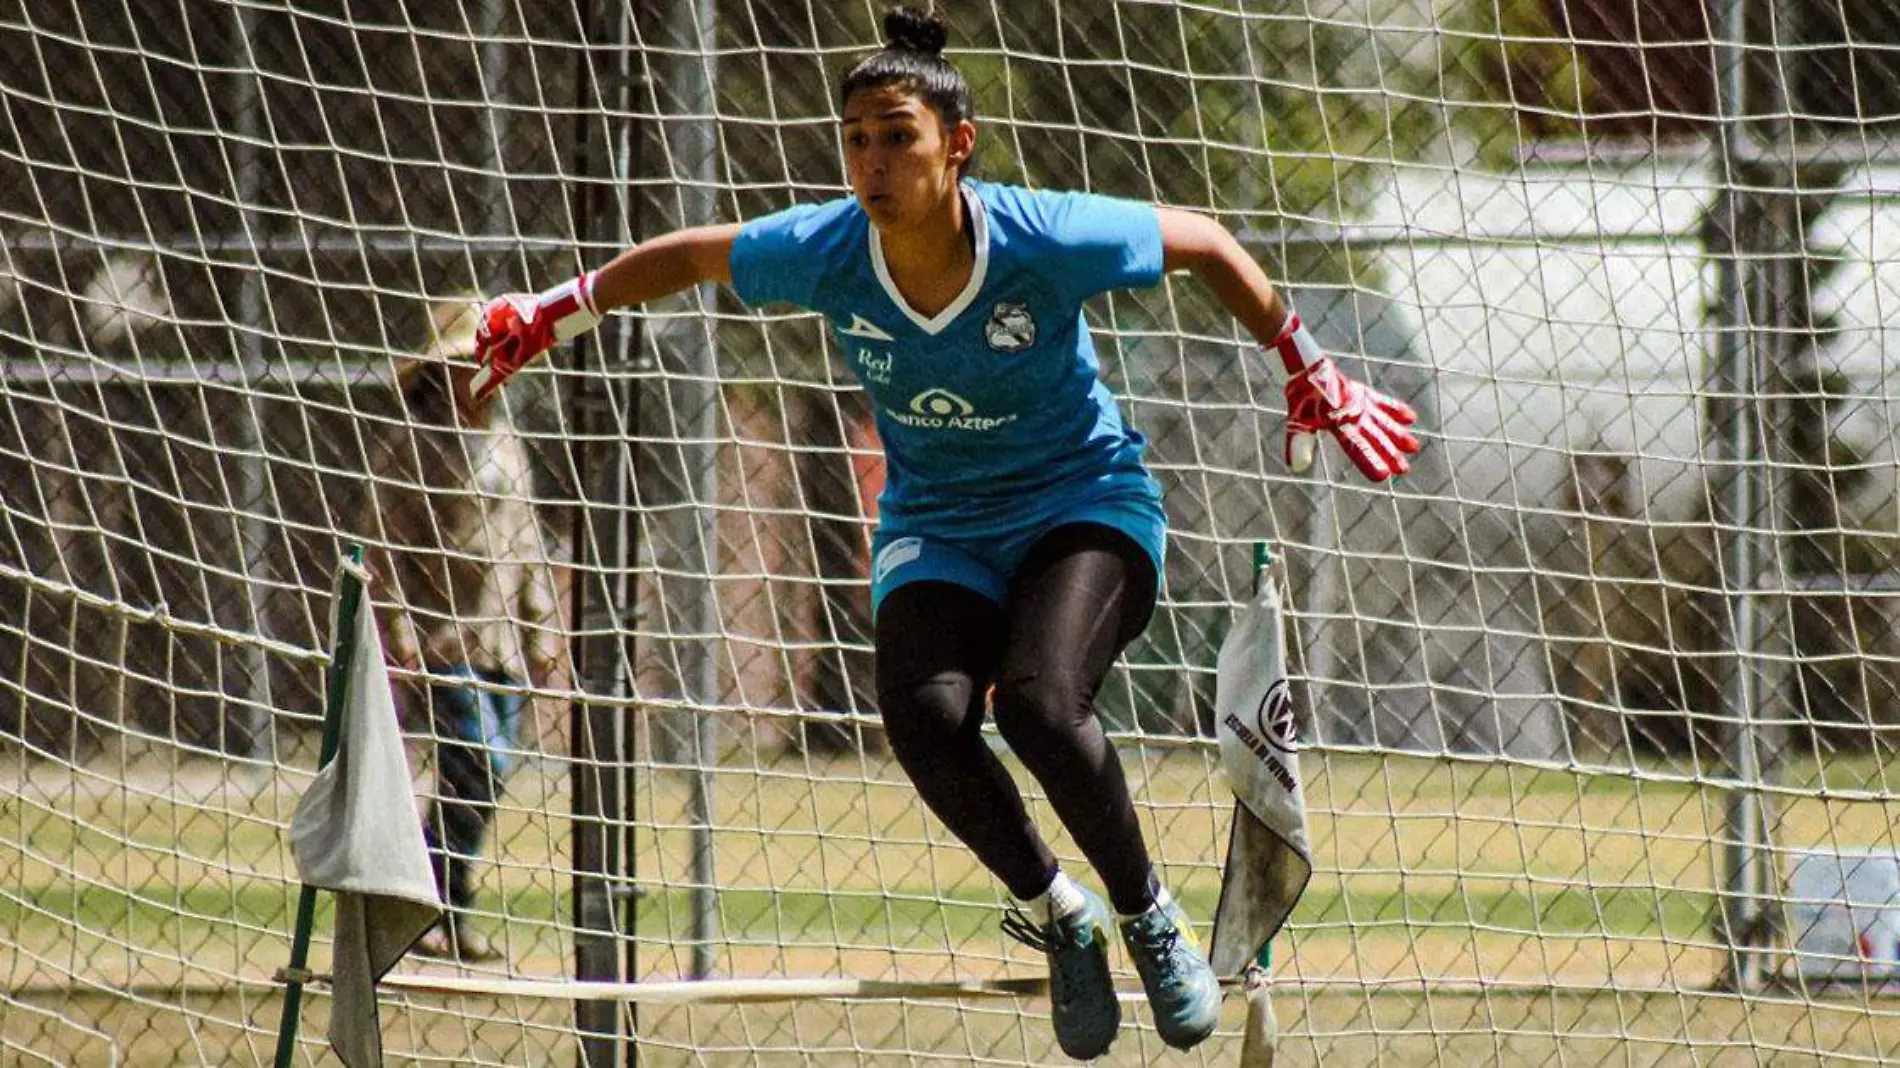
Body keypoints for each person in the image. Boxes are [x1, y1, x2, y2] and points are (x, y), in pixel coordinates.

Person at [466, 6, 1417, 1053]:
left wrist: (1304, 360)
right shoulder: (827, 249)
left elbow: (1203, 241)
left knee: (1045, 707)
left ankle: (1152, 915)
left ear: (956, 146)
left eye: (897, 134)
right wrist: (552, 310)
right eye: (856, 138)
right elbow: (690, 257)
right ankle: (1064, 915)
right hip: (940, 524)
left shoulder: (1043, 236)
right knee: (923, 716)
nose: (873, 161)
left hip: (1080, 503)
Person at [361, 300, 571, 963]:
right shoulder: (409, 445)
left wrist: (542, 633)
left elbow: (526, 538)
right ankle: (421, 904)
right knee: (481, 762)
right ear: (440, 370)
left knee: (478, 781)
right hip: (441, 635)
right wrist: (398, 631)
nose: (483, 374)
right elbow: (382, 546)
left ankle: (438, 911)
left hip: (502, 639)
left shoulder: (506, 440)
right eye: (467, 362)